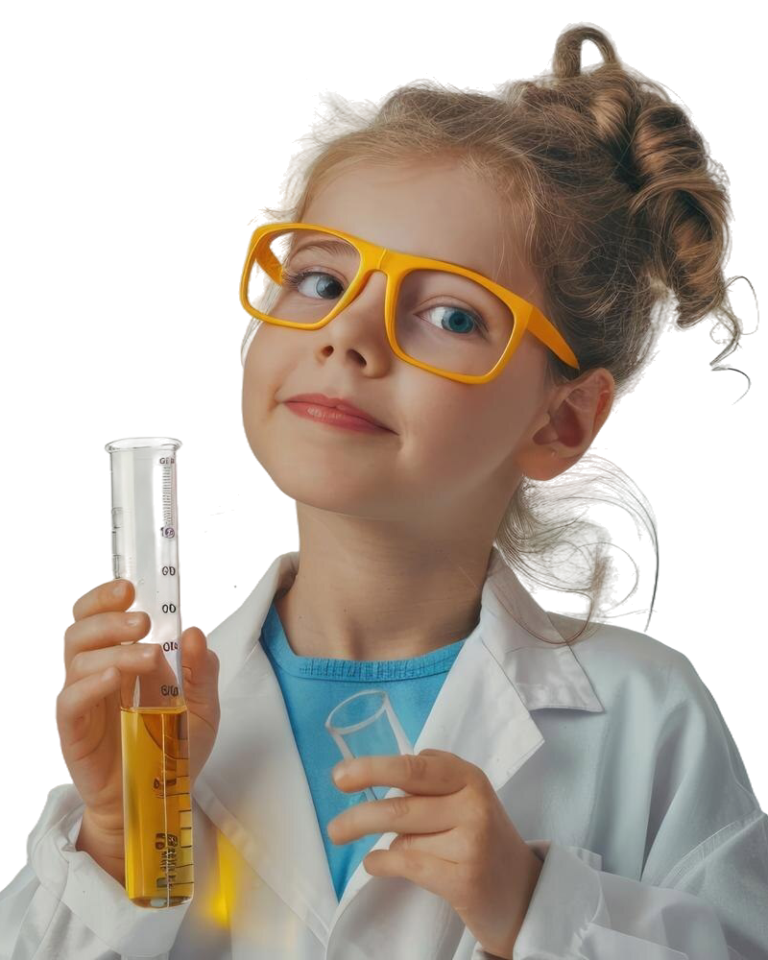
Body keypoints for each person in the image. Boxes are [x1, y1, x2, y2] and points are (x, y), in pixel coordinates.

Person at [2, 21, 765, 960]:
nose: (347, 336)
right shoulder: (153, 725)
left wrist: (532, 905)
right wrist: (118, 840)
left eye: (450, 313)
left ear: (561, 420)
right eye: (319, 277)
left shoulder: (651, 717)